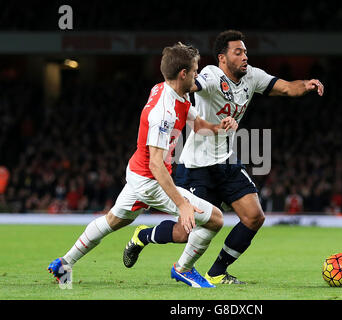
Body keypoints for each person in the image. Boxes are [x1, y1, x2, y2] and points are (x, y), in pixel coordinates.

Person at [125, 30, 324, 285]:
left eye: (246, 52)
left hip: (227, 161)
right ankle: (144, 236)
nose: (244, 57)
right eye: (238, 52)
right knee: (188, 232)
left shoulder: (253, 76)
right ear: (222, 58)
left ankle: (217, 271)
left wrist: (305, 85)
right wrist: (178, 83)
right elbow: (193, 84)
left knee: (254, 217)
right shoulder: (210, 74)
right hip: (196, 166)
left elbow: (286, 88)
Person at [47, 42, 238, 288]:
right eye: (194, 70)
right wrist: (183, 206)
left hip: (138, 173)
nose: (197, 75)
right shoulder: (164, 112)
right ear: (183, 74)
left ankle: (64, 263)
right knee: (215, 219)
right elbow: (157, 165)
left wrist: (217, 127)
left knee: (114, 221)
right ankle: (184, 269)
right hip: (150, 179)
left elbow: (198, 125)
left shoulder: (169, 92)